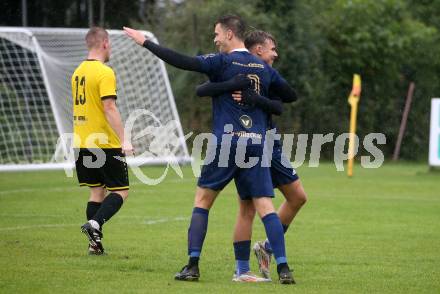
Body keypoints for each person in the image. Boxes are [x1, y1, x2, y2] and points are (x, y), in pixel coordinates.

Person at [124, 15, 296, 284]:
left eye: (217, 33)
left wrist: (145, 42)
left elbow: (183, 61)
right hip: (255, 144)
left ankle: (192, 265)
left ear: (230, 34)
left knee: (203, 202)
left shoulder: (222, 61)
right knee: (265, 206)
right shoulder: (262, 67)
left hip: (225, 143)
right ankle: (283, 269)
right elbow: (288, 94)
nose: (215, 39)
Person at [196, 30, 307, 280]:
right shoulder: (239, 68)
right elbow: (205, 89)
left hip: (270, 142)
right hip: (249, 144)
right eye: (272, 49)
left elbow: (280, 104)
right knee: (248, 208)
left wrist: (256, 98)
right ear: (258, 49)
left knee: (298, 197)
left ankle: (266, 247)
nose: (276, 54)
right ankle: (243, 269)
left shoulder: (268, 76)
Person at [71, 27, 133, 255]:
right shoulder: (104, 72)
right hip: (104, 143)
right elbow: (109, 107)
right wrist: (124, 139)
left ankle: (94, 246)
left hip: (81, 142)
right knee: (121, 191)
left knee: (96, 192)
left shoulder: (78, 71)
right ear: (105, 43)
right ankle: (95, 224)